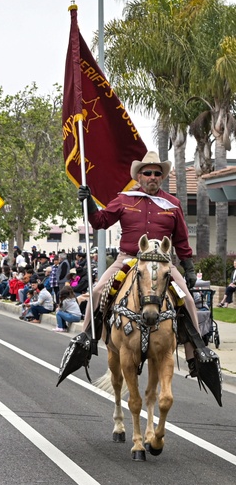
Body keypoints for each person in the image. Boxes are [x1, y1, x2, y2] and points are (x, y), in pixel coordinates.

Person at [61, 151, 220, 389]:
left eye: (157, 173)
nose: (153, 177)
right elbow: (100, 222)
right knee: (96, 292)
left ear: (161, 177)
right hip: (128, 259)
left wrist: (188, 267)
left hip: (163, 262)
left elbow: (181, 240)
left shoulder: (172, 204)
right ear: (139, 176)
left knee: (186, 298)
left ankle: (196, 354)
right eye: (148, 173)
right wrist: (90, 202)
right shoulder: (124, 199)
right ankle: (85, 343)